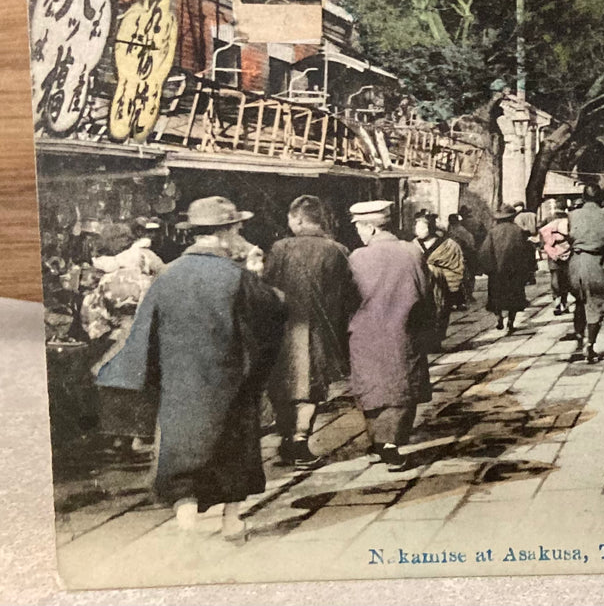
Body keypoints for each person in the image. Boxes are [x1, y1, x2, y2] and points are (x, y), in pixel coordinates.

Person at [96, 197, 285, 540]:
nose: (239, 234)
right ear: (226, 231)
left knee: (183, 454)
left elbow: (144, 332)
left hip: (181, 385)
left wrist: (152, 377)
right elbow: (272, 317)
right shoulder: (238, 277)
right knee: (234, 451)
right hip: (231, 382)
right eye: (237, 229)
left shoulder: (167, 277)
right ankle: (231, 522)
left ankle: (186, 527)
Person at [263, 195, 361, 468]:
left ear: (298, 219)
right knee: (312, 387)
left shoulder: (280, 248)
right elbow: (352, 294)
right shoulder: (338, 250)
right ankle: (300, 441)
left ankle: (286, 440)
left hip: (283, 330)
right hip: (322, 330)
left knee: (283, 386)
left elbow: (266, 288)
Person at [346, 200, 432, 473]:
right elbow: (426, 292)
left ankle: (381, 443)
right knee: (402, 385)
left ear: (370, 228)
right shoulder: (412, 252)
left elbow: (346, 299)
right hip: (403, 330)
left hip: (365, 334)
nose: (358, 233)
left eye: (359, 227)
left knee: (371, 387)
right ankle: (391, 443)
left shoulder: (357, 257)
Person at [82, 221, 164, 459]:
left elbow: (94, 309)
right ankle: (139, 437)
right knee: (142, 383)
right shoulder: (145, 259)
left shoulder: (106, 272)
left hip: (117, 331)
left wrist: (104, 328)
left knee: (116, 384)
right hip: (145, 330)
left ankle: (120, 439)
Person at [567, 185, 604, 363]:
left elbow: (570, 237)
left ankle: (580, 339)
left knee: (580, 301)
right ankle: (590, 344)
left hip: (575, 263)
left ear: (583, 197)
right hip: (596, 262)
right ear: (601, 198)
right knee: (597, 303)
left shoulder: (573, 214)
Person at [413, 211, 467, 351]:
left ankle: (436, 342)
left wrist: (437, 273)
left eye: (422, 227)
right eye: (417, 228)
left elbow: (455, 265)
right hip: (420, 287)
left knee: (440, 313)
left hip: (440, 288)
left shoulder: (448, 245)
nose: (419, 231)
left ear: (431, 227)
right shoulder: (412, 245)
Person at [477, 205, 534, 334]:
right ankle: (511, 323)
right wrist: (527, 270)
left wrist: (488, 268)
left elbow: (485, 252)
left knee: (496, 298)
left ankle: (499, 319)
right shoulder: (518, 231)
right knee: (514, 299)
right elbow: (526, 251)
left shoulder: (492, 232)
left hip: (497, 272)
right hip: (515, 272)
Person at [538, 203, 573, 316]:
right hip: (566, 250)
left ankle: (556, 301)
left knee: (555, 276)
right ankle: (564, 302)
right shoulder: (569, 218)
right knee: (566, 277)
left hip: (552, 251)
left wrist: (545, 245)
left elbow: (540, 232)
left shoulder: (548, 218)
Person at [445, 212, 478, 309]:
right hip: (465, 255)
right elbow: (471, 243)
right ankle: (467, 295)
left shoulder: (449, 231)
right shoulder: (462, 230)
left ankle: (460, 298)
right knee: (467, 276)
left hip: (453, 257)